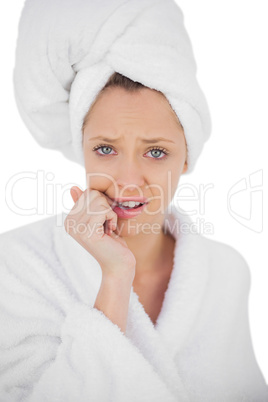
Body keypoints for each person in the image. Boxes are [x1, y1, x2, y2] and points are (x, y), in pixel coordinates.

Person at [1, 1, 268, 401]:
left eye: (156, 152)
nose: (127, 182)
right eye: (105, 149)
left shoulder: (226, 271)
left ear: (187, 157)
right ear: (81, 150)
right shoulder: (16, 265)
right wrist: (114, 277)